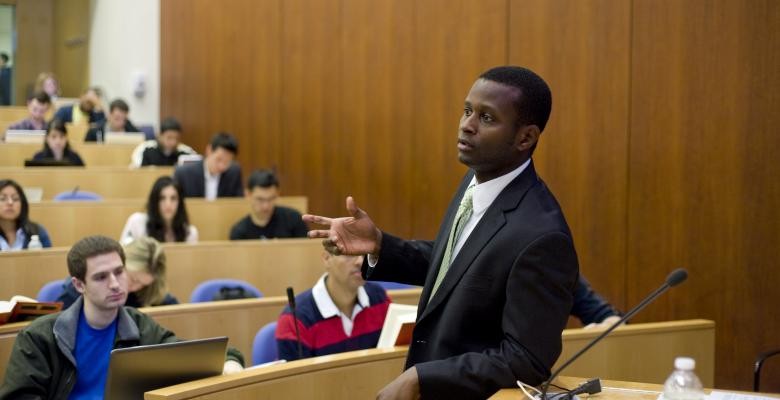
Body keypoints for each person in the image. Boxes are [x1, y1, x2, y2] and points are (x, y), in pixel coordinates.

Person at [304, 66, 579, 399]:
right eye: (467, 111)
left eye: (487, 118)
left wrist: (424, 377)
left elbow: (527, 359)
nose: (467, 125)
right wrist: (380, 245)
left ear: (526, 138)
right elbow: (456, 266)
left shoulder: (542, 236)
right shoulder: (479, 179)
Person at [0, 235, 243, 398]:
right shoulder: (40, 337)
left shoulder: (139, 326)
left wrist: (230, 361)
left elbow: (197, 357)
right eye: (101, 277)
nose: (115, 284)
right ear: (79, 285)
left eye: (119, 272)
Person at [276, 252, 390, 360]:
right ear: (327, 259)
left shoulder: (380, 299)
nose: (361, 261)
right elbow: (295, 380)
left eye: (366, 254)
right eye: (350, 254)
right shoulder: (295, 319)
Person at [57, 236, 179, 309]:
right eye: (133, 279)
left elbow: (170, 309)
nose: (134, 287)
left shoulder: (149, 290)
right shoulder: (79, 289)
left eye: (143, 284)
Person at [229, 169, 308, 240]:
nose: (266, 206)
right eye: (260, 199)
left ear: (277, 194)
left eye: (271, 199)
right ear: (248, 195)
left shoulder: (294, 219)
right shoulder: (239, 232)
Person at [120, 176, 199, 244]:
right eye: (162, 198)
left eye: (173, 198)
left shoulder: (189, 233)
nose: (168, 204)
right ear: (155, 201)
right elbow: (124, 254)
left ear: (180, 203)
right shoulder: (137, 223)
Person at [173, 132, 243, 199]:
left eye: (227, 162)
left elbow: (237, 203)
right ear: (209, 150)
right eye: (219, 159)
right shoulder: (184, 174)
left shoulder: (234, 172)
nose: (222, 166)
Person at [0, 179, 52, 250]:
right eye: (3, 199)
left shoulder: (37, 231)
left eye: (15, 199)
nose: (10, 203)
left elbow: (48, 259)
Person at [129, 117, 197, 167]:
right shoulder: (146, 149)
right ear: (159, 136)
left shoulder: (186, 152)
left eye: (177, 138)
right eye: (169, 138)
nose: (173, 142)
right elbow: (136, 172)